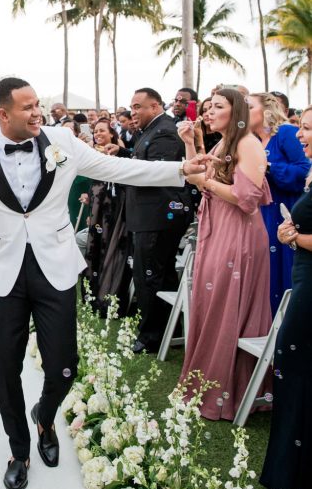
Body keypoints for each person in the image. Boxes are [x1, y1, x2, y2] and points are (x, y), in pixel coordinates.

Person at [0, 77, 205, 489]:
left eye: (38, 104)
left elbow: (117, 167)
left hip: (54, 267)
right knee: (4, 370)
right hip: (3, 274)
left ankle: (44, 415)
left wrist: (180, 169)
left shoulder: (62, 142)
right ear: (3, 114)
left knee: (63, 366)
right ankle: (19, 450)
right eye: (27, 107)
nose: (37, 111)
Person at [178, 88, 272, 421]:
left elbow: (246, 198)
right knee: (211, 304)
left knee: (224, 305)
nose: (208, 111)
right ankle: (206, 384)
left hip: (238, 237)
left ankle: (228, 393)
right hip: (217, 232)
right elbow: (196, 175)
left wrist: (209, 185)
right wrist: (190, 143)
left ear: (237, 111)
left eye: (218, 106)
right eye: (207, 107)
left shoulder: (248, 143)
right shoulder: (223, 143)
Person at [261, 105, 312, 489]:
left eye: (307, 129)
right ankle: (287, 471)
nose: (299, 135)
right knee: (294, 369)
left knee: (298, 368)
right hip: (304, 275)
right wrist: (291, 230)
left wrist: (297, 238)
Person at [124, 88, 193, 354]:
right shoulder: (149, 131)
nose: (133, 112)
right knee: (156, 275)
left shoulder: (164, 131)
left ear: (155, 107)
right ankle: (166, 329)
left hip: (158, 216)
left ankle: (150, 336)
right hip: (149, 215)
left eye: (138, 106)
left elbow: (156, 173)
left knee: (149, 275)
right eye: (132, 107)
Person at [248, 92, 310, 314]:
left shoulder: (285, 133)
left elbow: (305, 170)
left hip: (285, 210)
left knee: (284, 270)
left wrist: (269, 167)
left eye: (249, 106)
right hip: (260, 213)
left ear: (265, 111)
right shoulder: (251, 142)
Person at [85, 121, 132, 315]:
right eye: (95, 131)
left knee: (111, 249)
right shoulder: (93, 153)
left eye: (102, 130)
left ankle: (108, 298)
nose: (97, 134)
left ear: (112, 134)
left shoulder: (120, 153)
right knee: (96, 248)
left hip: (114, 208)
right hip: (97, 208)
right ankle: (93, 294)